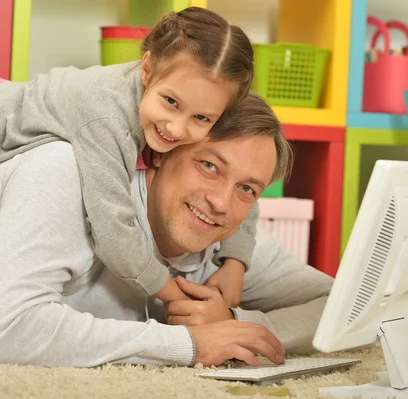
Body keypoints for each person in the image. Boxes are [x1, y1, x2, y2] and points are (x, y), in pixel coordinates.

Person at [0, 92, 334, 368]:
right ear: (162, 150)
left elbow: (344, 306)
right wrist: (186, 345)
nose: (220, 202)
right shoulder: (64, 171)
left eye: (247, 189)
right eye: (209, 166)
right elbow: (9, 326)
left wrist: (236, 324)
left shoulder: (229, 247)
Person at [0, 7, 258, 308]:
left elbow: (245, 167)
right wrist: (175, 296)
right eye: (171, 102)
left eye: (201, 117)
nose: (177, 127)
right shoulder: (103, 116)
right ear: (146, 70)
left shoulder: (204, 97)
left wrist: (235, 262)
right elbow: (113, 232)